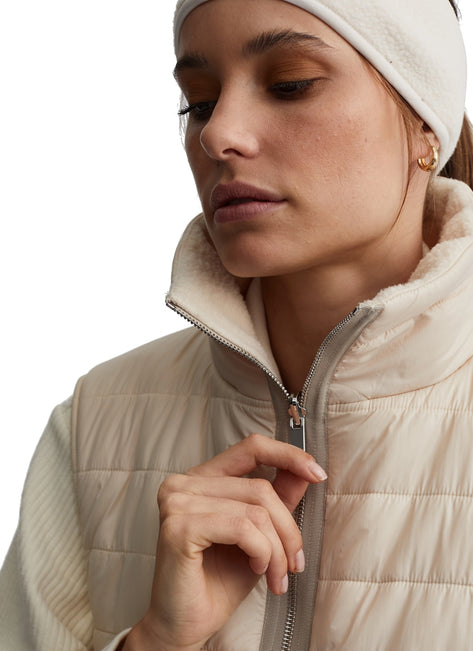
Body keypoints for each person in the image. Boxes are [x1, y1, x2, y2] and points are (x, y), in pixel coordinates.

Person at [1, 0, 473, 648]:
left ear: (425, 122)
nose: (217, 132)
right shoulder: (94, 423)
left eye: (289, 85)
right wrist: (156, 641)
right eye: (198, 102)